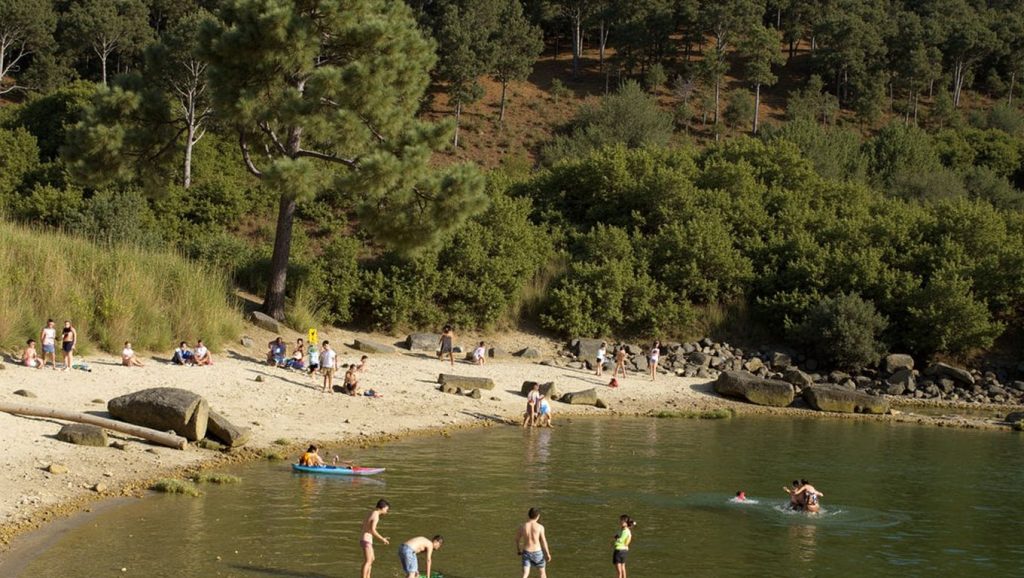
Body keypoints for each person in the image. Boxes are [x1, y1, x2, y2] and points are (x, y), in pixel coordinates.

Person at [516, 507, 551, 578]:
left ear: (528, 515)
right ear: (538, 516)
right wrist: (547, 554)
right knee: (542, 574)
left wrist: (519, 550)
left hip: (526, 552)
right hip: (537, 552)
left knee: (525, 574)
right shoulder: (540, 527)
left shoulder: (522, 526)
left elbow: (517, 539)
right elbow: (543, 541)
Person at [360, 499, 391, 578]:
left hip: (365, 539)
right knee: (368, 560)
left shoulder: (371, 512)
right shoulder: (376, 515)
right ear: (383, 507)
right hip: (366, 540)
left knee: (372, 559)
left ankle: (368, 576)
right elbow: (373, 530)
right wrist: (382, 539)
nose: (387, 511)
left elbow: (364, 525)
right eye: (386, 509)